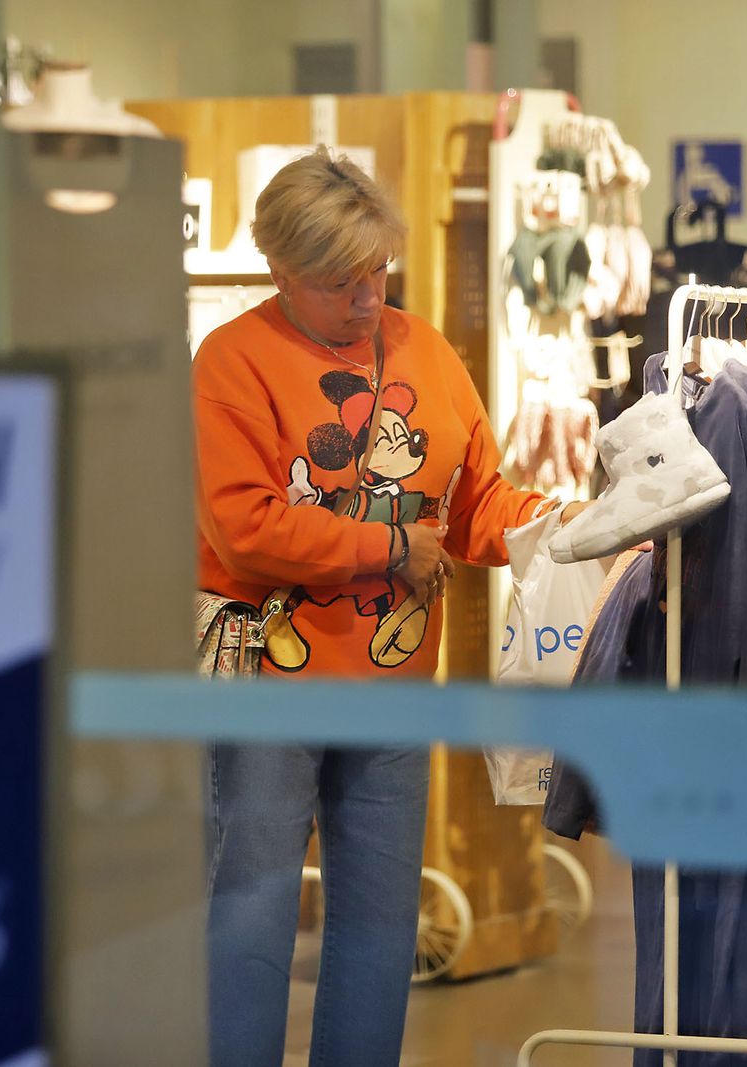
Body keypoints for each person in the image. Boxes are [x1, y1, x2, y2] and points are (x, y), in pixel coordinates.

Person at [193, 147, 572, 1066]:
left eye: (378, 272)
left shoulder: (427, 351)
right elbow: (246, 527)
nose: (368, 300)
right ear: (278, 269)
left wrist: (573, 527)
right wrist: (391, 546)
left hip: (394, 686)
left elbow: (476, 503)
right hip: (265, 684)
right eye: (339, 283)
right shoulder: (232, 360)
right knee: (251, 916)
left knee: (378, 927)